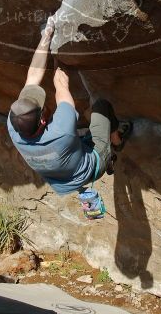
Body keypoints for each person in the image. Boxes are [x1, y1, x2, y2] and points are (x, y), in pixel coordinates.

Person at [7, 18, 131, 195]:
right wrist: (58, 53)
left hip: (61, 178)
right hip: (92, 167)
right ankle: (116, 142)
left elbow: (32, 77)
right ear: (42, 118)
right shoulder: (61, 130)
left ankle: (99, 148)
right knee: (100, 107)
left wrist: (47, 35)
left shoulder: (15, 125)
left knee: (83, 127)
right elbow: (61, 84)